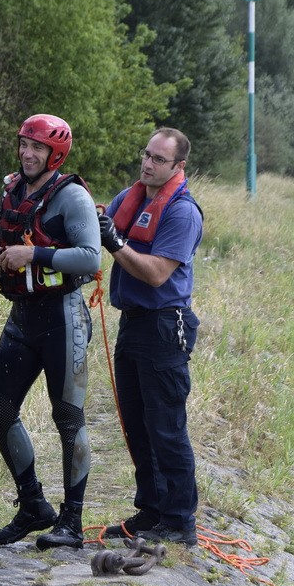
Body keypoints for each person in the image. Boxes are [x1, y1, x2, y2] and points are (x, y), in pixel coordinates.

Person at [0, 114, 102, 550]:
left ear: (56, 154)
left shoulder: (72, 197)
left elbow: (90, 259)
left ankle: (72, 521)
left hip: (63, 317)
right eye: (24, 145)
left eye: (37, 148)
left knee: (68, 418)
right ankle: (33, 505)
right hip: (22, 318)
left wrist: (35, 253)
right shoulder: (12, 188)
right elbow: (2, 241)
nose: (28, 154)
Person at [97, 127, 203, 547]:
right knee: (136, 424)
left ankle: (180, 521)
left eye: (159, 160)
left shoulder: (182, 212)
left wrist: (114, 242)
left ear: (178, 166)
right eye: (147, 155)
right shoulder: (130, 197)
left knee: (167, 427)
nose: (148, 164)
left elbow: (157, 273)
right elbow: (101, 233)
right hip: (133, 323)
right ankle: (151, 511)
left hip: (164, 325)